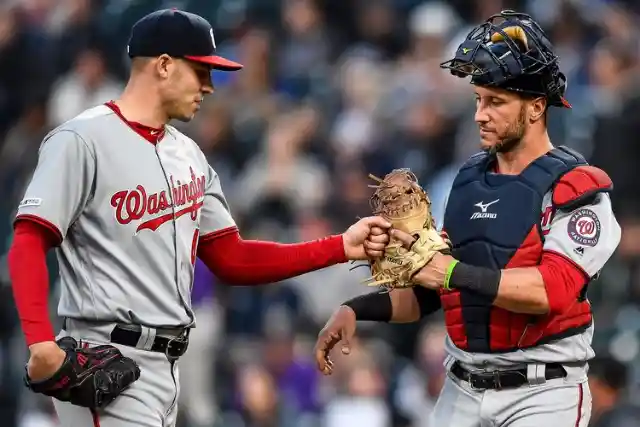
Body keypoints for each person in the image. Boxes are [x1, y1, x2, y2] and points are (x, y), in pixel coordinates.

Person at [7, 8, 391, 427]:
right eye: (201, 71)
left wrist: (338, 247)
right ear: (165, 65)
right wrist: (40, 342)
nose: (210, 86)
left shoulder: (189, 155)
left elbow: (233, 257)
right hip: (106, 360)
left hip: (170, 366)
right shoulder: (82, 139)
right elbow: (29, 239)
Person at [314, 10, 622, 427]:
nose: (480, 114)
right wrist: (355, 309)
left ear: (535, 107)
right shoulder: (469, 180)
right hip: (460, 387)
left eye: (495, 101)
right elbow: (434, 292)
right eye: (478, 99)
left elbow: (551, 291)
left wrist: (447, 271)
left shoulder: (576, 188)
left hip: (543, 392)